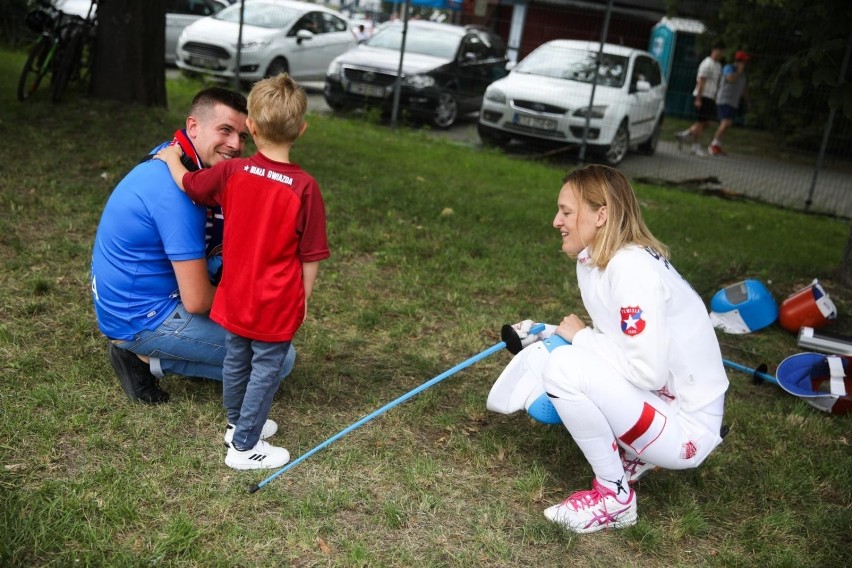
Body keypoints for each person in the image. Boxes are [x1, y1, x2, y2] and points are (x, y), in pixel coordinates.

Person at [499, 165, 729, 533]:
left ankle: (615, 497)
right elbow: (623, 347)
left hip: (687, 430)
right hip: (666, 403)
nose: (556, 220)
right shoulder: (597, 262)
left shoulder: (630, 269)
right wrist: (553, 332)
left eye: (567, 211)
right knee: (566, 358)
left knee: (564, 369)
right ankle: (635, 455)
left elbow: (645, 371)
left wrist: (580, 338)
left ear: (601, 214)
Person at [155, 74, 330, 470]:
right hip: (275, 301)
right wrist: (302, 302)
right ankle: (245, 447)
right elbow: (312, 254)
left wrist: (170, 159)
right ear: (301, 129)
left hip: (234, 294)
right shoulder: (305, 188)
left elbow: (189, 184)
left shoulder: (234, 173)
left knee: (237, 359)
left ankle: (237, 425)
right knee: (266, 367)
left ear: (250, 126)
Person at [91, 87, 296, 410]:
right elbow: (198, 299)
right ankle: (143, 358)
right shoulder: (177, 195)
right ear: (193, 126)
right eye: (225, 130)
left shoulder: (177, 157)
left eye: (242, 136)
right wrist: (257, 309)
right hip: (143, 316)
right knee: (279, 359)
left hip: (143, 295)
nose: (235, 145)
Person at [675, 42, 725, 157]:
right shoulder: (706, 64)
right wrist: (698, 99)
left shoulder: (718, 65)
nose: (722, 54)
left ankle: (684, 135)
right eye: (720, 52)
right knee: (700, 122)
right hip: (703, 96)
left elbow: (716, 83)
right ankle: (695, 146)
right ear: (715, 50)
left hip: (711, 97)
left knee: (706, 123)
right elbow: (701, 81)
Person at [708, 50, 750, 156]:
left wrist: (748, 101)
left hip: (733, 102)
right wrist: (739, 72)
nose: (745, 65)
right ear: (738, 61)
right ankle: (713, 145)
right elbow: (731, 79)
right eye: (743, 62)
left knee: (728, 124)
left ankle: (717, 145)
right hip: (723, 100)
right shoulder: (729, 68)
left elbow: (744, 88)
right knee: (726, 123)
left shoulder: (743, 75)